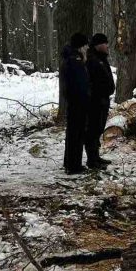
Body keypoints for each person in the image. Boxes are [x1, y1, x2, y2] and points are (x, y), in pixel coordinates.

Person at [61, 33, 90, 174]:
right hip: (77, 102)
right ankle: (73, 165)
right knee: (76, 134)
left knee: (74, 133)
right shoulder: (75, 60)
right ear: (81, 46)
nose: (87, 48)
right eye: (85, 45)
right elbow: (80, 84)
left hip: (75, 101)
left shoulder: (72, 59)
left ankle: (70, 162)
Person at [84, 33, 114, 170]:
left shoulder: (101, 59)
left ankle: (96, 157)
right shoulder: (92, 60)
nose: (107, 46)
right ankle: (92, 160)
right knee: (93, 130)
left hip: (103, 100)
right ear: (98, 45)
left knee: (98, 129)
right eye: (105, 43)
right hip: (95, 101)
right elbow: (91, 82)